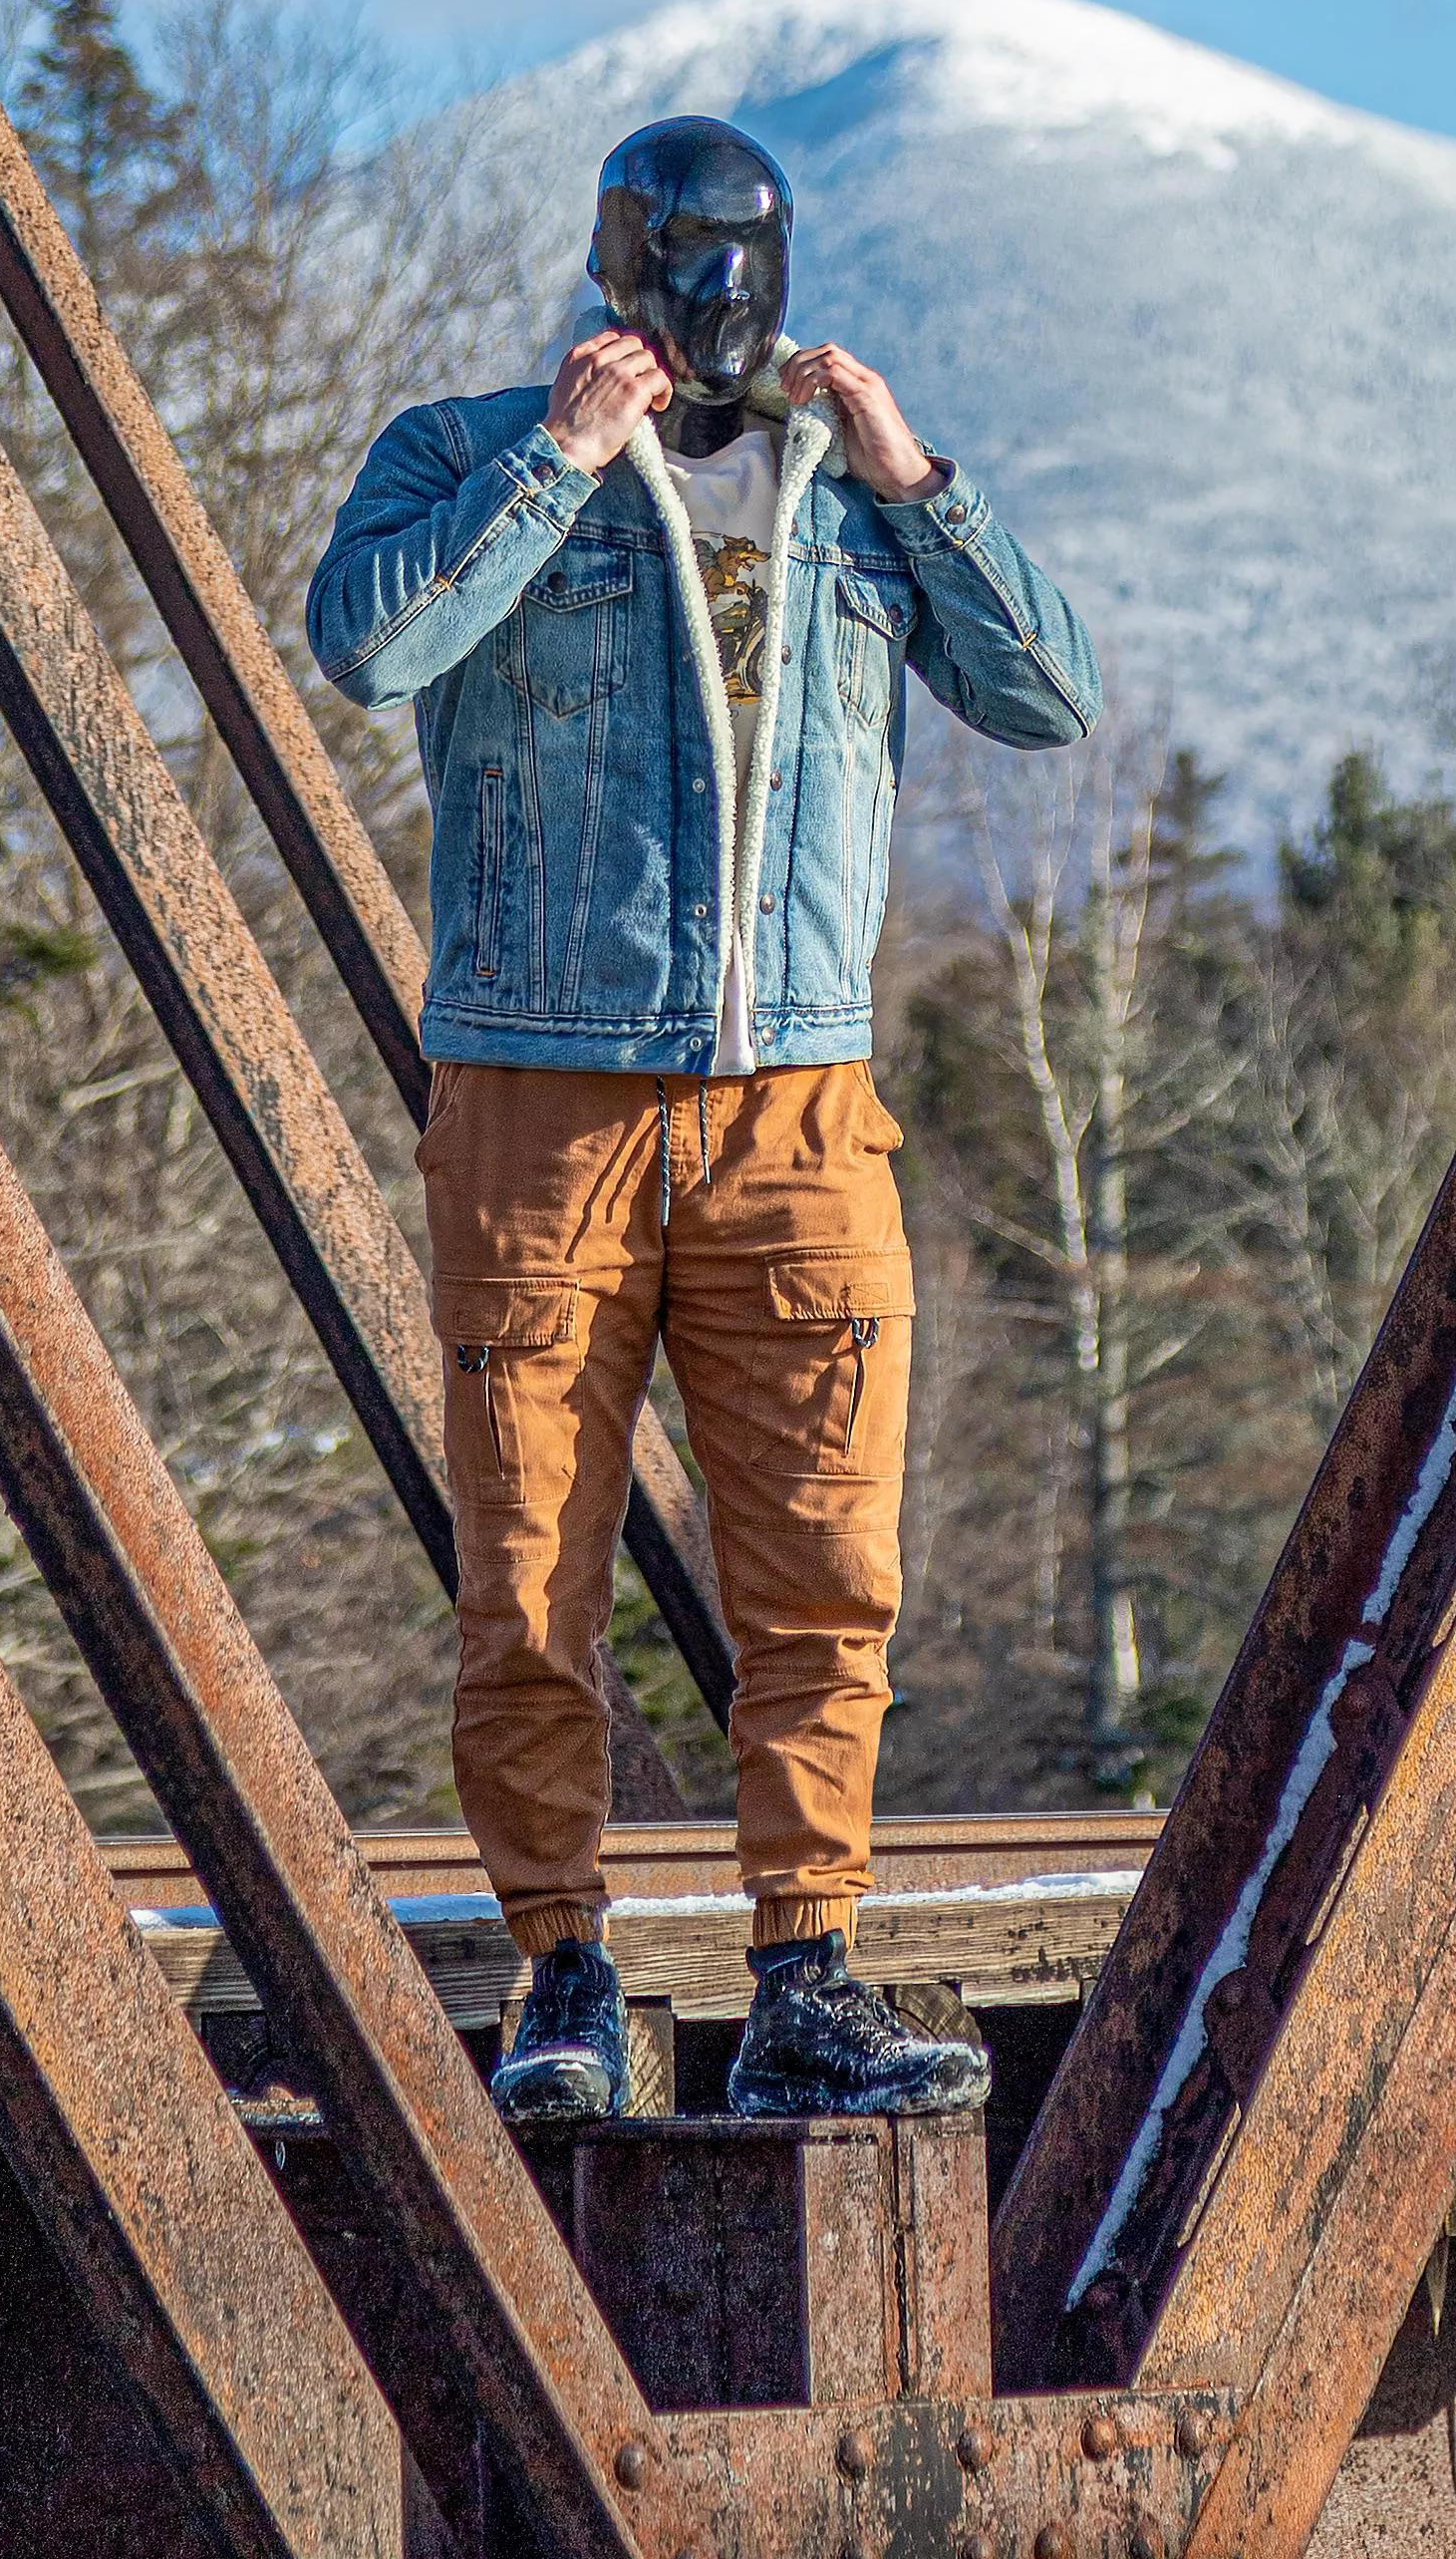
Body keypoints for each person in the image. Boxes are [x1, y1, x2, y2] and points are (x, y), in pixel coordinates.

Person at [309, 111, 1098, 2127]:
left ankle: (804, 1974)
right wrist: (558, 458)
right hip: (544, 1101)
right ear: (615, 264)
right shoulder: (465, 446)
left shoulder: (854, 493)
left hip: (799, 1111)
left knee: (830, 1570)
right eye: (678, 263)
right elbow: (372, 643)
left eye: (744, 266)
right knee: (528, 1576)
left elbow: (1048, 693)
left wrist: (919, 479)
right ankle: (561, 1973)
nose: (714, 304)